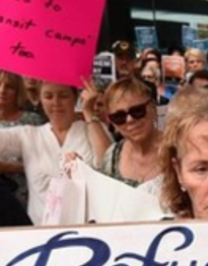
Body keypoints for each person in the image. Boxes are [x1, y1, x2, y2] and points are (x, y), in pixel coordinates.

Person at [0, 82, 112, 225]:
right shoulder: (29, 135)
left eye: (63, 96)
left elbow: (110, 163)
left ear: (75, 98)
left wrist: (89, 113)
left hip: (88, 228)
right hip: (40, 232)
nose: (56, 103)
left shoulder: (92, 128)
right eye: (48, 96)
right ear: (40, 99)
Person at [100, 77, 162, 194]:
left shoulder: (178, 150)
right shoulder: (112, 156)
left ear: (153, 109)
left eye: (137, 111)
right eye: (119, 117)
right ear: (113, 123)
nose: (130, 120)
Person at [0, 71, 46, 207]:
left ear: (18, 91)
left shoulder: (33, 121)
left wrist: (11, 167)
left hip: (29, 195)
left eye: (9, 86)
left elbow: (46, 159)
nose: (2, 90)